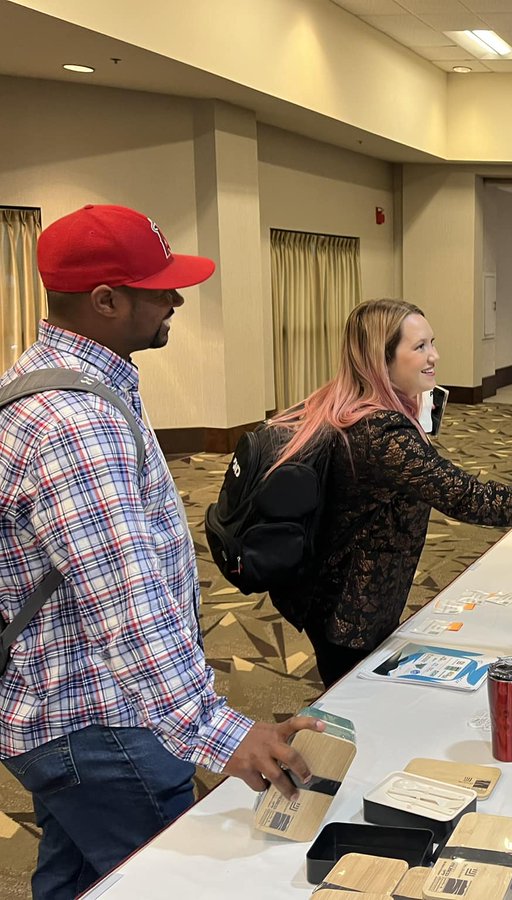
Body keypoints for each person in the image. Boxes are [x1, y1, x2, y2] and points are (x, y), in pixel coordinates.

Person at [0, 205, 323, 900]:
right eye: (160, 288)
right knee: (170, 882)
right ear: (107, 300)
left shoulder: (72, 380)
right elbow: (126, 602)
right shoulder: (73, 422)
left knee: (81, 878)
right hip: (99, 723)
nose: (177, 299)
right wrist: (218, 731)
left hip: (65, 709)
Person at [268, 298, 512, 688]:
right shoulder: (381, 436)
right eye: (419, 347)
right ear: (380, 358)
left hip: (340, 593)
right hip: (351, 611)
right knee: (353, 707)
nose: (434, 356)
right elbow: (469, 498)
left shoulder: (346, 405)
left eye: (432, 343)